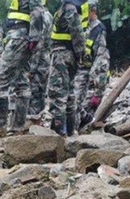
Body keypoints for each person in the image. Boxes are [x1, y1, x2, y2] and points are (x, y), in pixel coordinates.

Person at [0, 0, 46, 134]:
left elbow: (37, 12)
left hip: (19, 37)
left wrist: (34, 37)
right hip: (20, 36)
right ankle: (17, 127)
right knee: (21, 81)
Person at [48, 0, 87, 135]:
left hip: (62, 53)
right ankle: (70, 131)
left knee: (57, 91)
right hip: (65, 53)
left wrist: (80, 54)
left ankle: (58, 132)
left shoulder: (69, 7)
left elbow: (77, 31)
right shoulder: (68, 6)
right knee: (68, 92)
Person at [75, 4, 109, 129]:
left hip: (92, 76)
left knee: (84, 107)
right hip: (80, 72)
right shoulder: (82, 27)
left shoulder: (99, 30)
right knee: (73, 104)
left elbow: (101, 61)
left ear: (93, 12)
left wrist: (97, 92)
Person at [28, 4, 54, 121]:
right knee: (41, 92)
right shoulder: (49, 15)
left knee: (34, 92)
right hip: (45, 58)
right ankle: (39, 120)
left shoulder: (40, 17)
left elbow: (38, 43)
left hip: (38, 61)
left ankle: (34, 121)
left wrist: (31, 69)